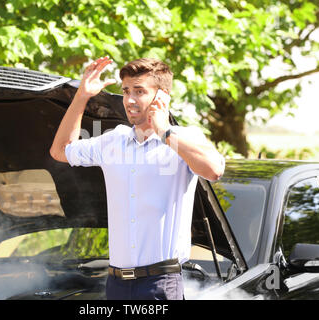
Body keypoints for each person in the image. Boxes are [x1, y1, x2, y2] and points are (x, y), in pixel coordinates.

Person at [50, 56, 225, 300]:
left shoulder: (183, 139)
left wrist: (164, 131)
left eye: (139, 91)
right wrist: (82, 96)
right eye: (126, 91)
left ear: (161, 96)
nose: (130, 100)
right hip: (116, 284)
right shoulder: (112, 141)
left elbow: (213, 170)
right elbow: (60, 150)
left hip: (161, 284)